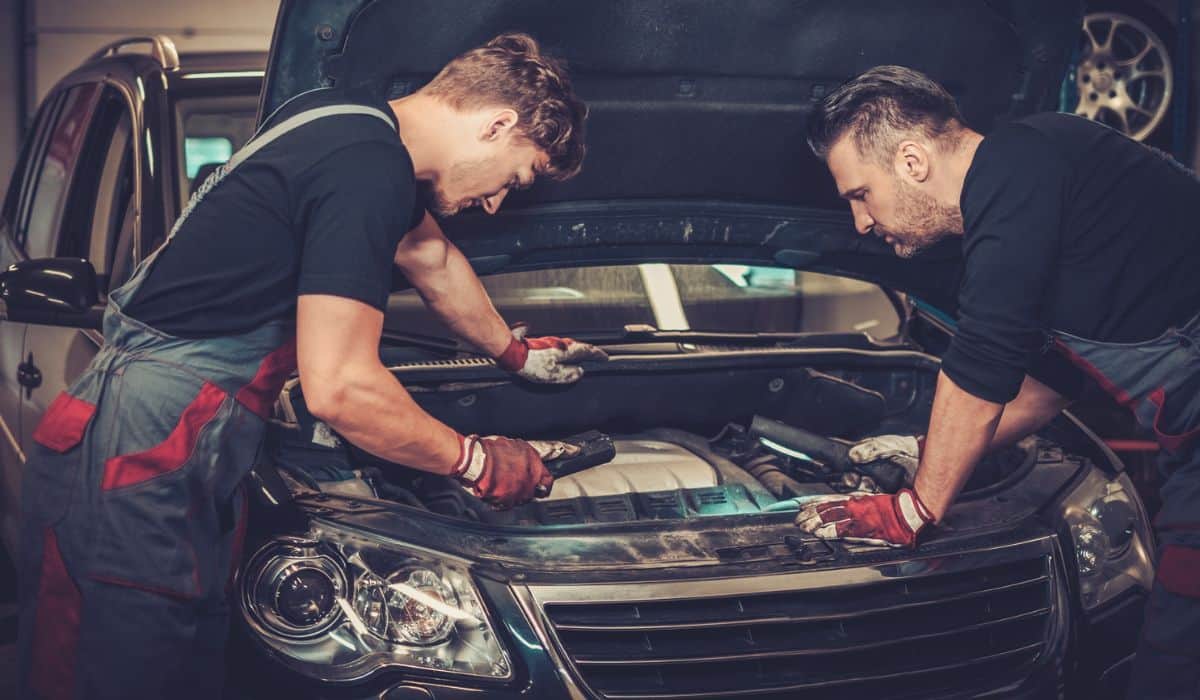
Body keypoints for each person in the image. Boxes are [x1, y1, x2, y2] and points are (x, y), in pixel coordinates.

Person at [17, 33, 603, 699]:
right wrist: (475, 460)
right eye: (514, 176)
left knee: (180, 664)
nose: (498, 202)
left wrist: (515, 354)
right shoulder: (367, 169)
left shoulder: (348, 119)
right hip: (139, 450)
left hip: (172, 442)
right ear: (497, 124)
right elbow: (341, 389)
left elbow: (432, 261)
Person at [796, 65, 1200, 699]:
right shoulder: (1030, 198)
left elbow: (983, 360)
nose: (860, 224)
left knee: (1178, 654)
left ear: (911, 160)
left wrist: (914, 508)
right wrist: (926, 452)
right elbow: (1044, 383)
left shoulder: (1017, 165)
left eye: (859, 194)